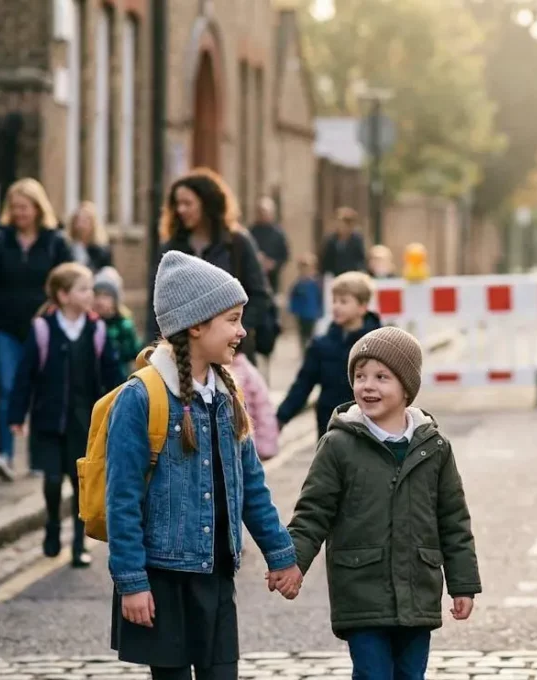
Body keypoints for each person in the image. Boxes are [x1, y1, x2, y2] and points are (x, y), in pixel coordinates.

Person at [107, 250, 301, 680]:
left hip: (215, 578)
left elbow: (251, 486)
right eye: (232, 320)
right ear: (196, 325)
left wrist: (280, 555)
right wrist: (131, 582)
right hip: (163, 579)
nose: (241, 331)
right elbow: (122, 498)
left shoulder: (227, 396)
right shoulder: (141, 398)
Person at [287, 326, 480, 679]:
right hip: (360, 590)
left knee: (410, 675)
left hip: (417, 590)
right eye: (360, 376)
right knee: (373, 673)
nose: (368, 386)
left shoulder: (434, 448)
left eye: (381, 377)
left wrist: (462, 584)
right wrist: (292, 562)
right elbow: (313, 512)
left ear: (406, 387)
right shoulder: (338, 445)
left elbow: (453, 520)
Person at [8, 263, 122, 567]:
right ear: (63, 295)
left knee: (81, 483)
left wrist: (121, 411)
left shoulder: (97, 330)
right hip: (48, 419)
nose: (91, 295)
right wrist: (16, 415)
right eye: (84, 289)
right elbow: (24, 375)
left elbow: (112, 375)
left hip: (84, 423)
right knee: (52, 480)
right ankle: (52, 528)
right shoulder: (43, 329)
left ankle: (77, 545)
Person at [0, 178, 73, 482]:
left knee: (42, 392)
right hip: (5, 328)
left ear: (37, 208)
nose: (19, 213)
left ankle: (38, 457)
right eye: (14, 208)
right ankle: (4, 454)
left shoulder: (55, 242)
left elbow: (67, 281)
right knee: (8, 388)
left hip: (44, 329)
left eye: (24, 207)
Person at [160, 172, 272, 366]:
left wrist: (231, 331)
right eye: (177, 204)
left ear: (207, 203)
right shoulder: (171, 249)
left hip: (232, 356)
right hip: (182, 357)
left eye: (188, 203)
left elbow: (260, 296)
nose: (181, 210)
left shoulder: (238, 244)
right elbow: (159, 303)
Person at [277, 271, 382, 438]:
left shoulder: (379, 343)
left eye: (344, 301)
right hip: (330, 427)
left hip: (369, 428)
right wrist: (280, 417)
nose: (336, 306)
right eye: (334, 301)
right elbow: (303, 384)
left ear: (362, 307)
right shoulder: (322, 345)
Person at [93, 266, 143, 376]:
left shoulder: (123, 324)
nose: (100, 301)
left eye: (106, 296)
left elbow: (133, 352)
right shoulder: (91, 324)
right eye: (97, 295)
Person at [249, 196, 290, 293]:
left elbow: (285, 255)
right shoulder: (251, 232)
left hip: (272, 280)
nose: (262, 215)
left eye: (265, 212)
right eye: (260, 212)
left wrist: (273, 264)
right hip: (253, 278)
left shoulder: (278, 234)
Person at [288, 253, 323, 350]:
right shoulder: (298, 284)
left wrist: (320, 311)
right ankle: (303, 351)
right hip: (301, 314)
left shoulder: (316, 283)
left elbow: (320, 298)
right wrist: (293, 310)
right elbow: (293, 298)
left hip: (312, 313)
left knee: (312, 335)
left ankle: (310, 350)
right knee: (302, 335)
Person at [320, 207, 368, 277]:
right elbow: (326, 261)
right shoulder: (331, 240)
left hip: (352, 275)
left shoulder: (357, 239)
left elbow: (361, 259)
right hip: (335, 275)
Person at [67, 201, 113, 272]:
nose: (81, 225)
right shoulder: (67, 247)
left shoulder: (101, 250)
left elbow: (107, 272)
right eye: (78, 220)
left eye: (85, 221)